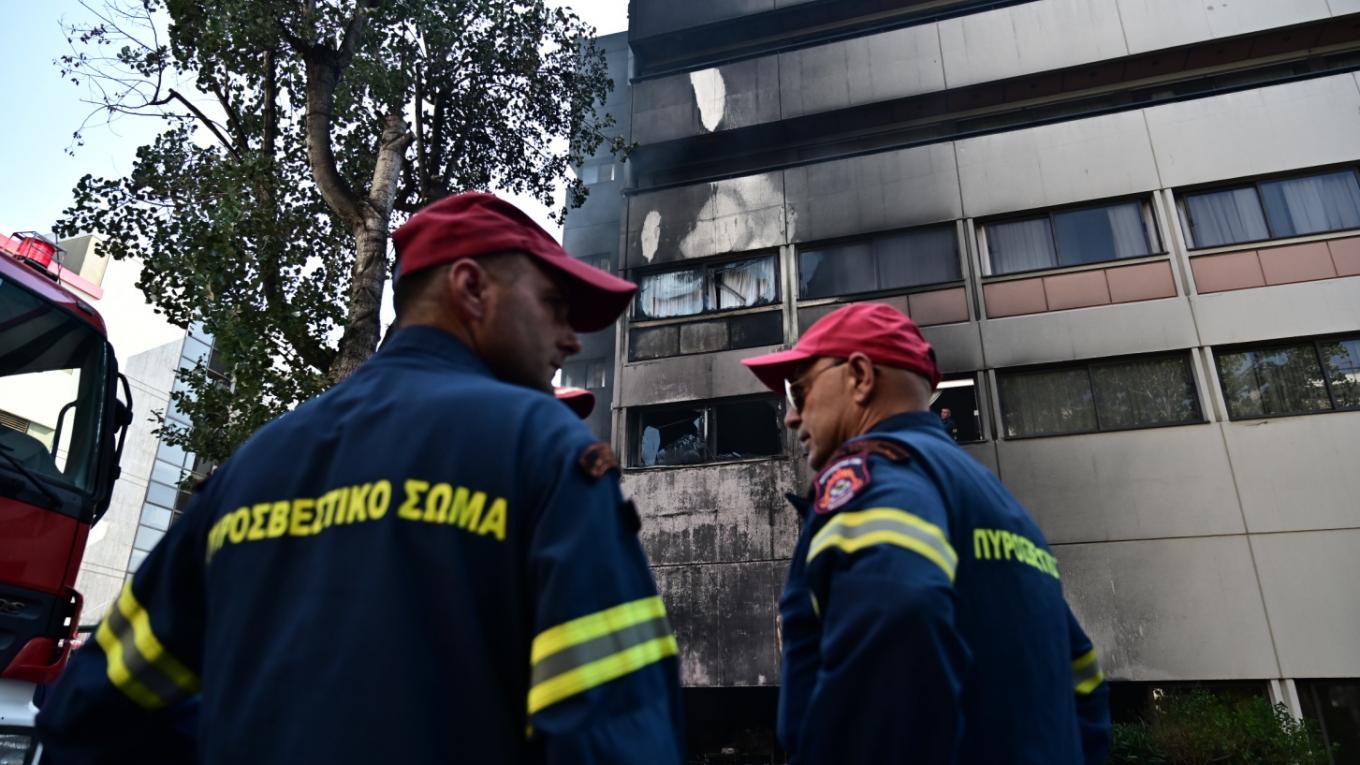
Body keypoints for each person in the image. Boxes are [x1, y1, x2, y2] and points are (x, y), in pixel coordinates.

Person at [36, 192, 685, 764]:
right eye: (555, 305)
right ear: (471, 288)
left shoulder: (253, 467)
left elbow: (90, 711)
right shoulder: (543, 449)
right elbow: (613, 735)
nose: (571, 339)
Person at [741, 303, 1110, 765]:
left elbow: (900, 610)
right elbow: (1084, 683)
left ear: (860, 377)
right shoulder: (1002, 507)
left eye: (799, 391)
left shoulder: (873, 475)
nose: (791, 417)